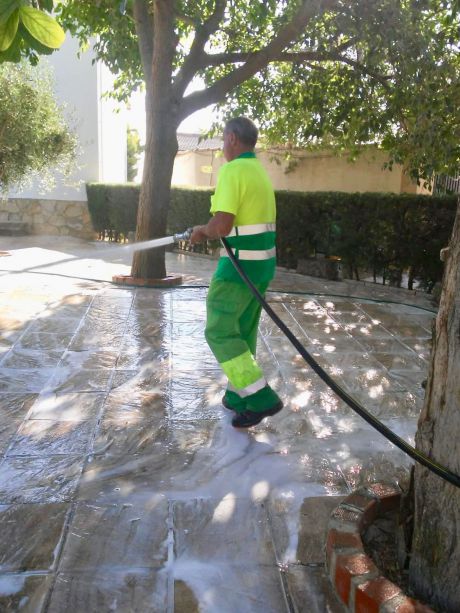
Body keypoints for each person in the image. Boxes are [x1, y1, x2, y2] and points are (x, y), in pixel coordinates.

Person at [190, 117, 283, 428]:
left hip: (237, 268)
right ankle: (238, 395)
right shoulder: (258, 171)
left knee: (219, 330)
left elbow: (222, 225)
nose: (222, 146)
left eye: (222, 139)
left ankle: (260, 398)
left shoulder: (233, 170)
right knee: (242, 332)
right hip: (261, 266)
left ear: (231, 138)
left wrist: (201, 231)